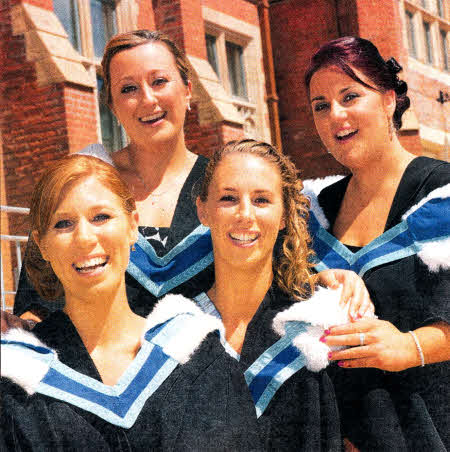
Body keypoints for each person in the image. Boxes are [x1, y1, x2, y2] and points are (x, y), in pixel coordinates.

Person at [13, 30, 371, 323]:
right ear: (112, 105)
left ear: (187, 90)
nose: (147, 99)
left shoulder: (226, 188)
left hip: (215, 382)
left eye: (159, 81)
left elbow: (274, 280)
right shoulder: (81, 190)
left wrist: (320, 281)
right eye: (128, 88)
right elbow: (38, 302)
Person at [1, 155, 262, 451]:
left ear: (132, 225)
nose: (85, 238)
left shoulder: (197, 355)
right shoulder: (17, 379)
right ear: (42, 244)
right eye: (63, 224)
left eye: (101, 217)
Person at [303, 36, 450, 450]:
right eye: (321, 105)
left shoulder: (441, 192)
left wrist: (408, 346)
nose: (336, 115)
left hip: (427, 428)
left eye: (350, 96)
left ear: (388, 100)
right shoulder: (316, 210)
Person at [195, 139, 355, 451]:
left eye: (262, 200)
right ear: (203, 210)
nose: (245, 215)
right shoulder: (176, 334)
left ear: (284, 214)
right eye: (228, 198)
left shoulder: (320, 328)